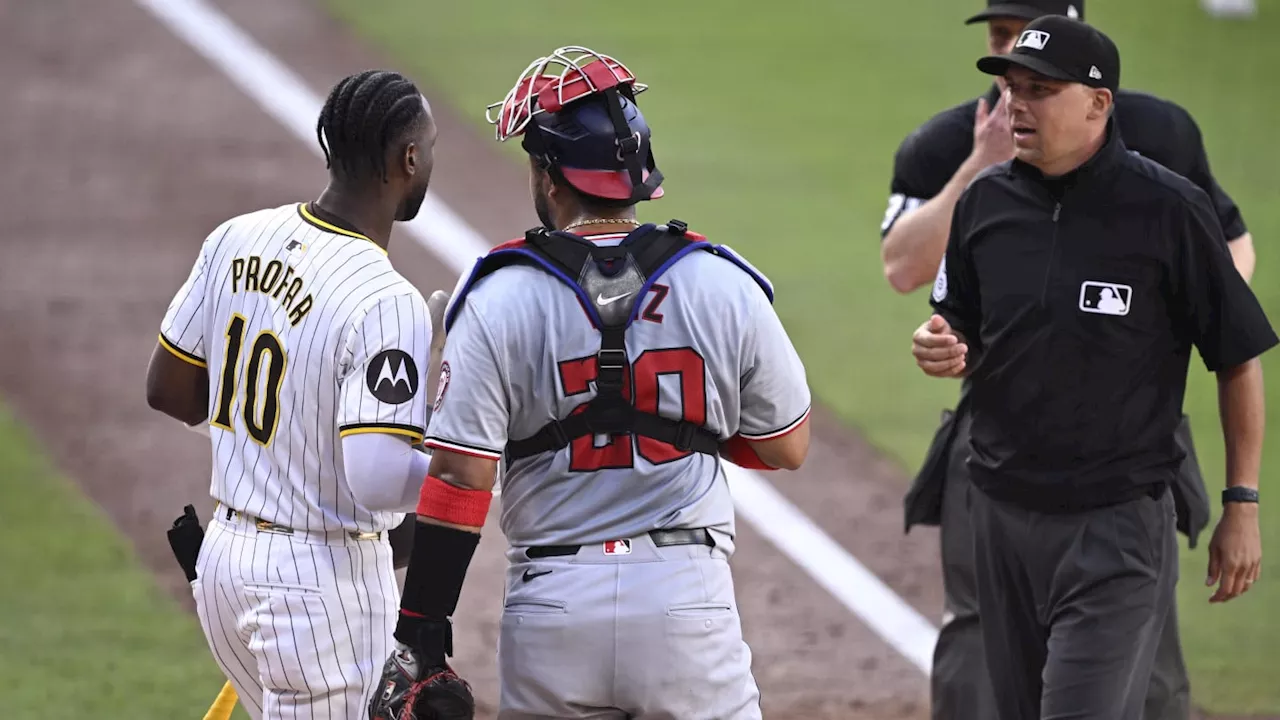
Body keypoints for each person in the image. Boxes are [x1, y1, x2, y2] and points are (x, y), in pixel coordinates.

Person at [367, 46, 812, 720]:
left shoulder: (499, 292)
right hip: (686, 604)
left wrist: (421, 634)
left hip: (553, 606)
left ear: (550, 179)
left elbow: (461, 477)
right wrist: (677, 419)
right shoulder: (722, 281)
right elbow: (786, 445)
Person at [880, 2, 1258, 718]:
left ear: (1098, 102)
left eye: (1039, 91)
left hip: (1114, 520)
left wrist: (1242, 500)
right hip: (1000, 512)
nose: (1015, 106)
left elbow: (1238, 357)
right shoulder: (983, 202)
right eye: (1012, 86)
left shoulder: (1167, 208)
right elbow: (954, 320)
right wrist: (939, 344)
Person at [145, 69, 448, 719]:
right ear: (410, 158)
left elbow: (169, 388)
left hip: (225, 568)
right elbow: (379, 479)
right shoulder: (384, 297)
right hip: (318, 594)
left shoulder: (235, 237)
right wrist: (469, 463)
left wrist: (288, 436)